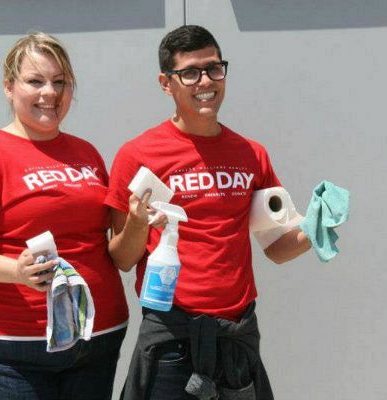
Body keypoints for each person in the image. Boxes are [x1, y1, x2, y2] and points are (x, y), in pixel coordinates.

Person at [105, 25, 311, 400]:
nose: (206, 81)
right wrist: (137, 221)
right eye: (190, 72)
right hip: (172, 336)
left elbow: (276, 247)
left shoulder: (252, 154)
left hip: (237, 334)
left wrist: (316, 228)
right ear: (166, 83)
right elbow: (121, 258)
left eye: (215, 68)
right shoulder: (137, 155)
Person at [0, 32, 128, 400]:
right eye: (35, 81)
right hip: (11, 348)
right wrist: (16, 272)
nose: (50, 93)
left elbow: (107, 241)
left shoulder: (86, 153)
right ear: (9, 87)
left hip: (95, 338)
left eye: (60, 82)